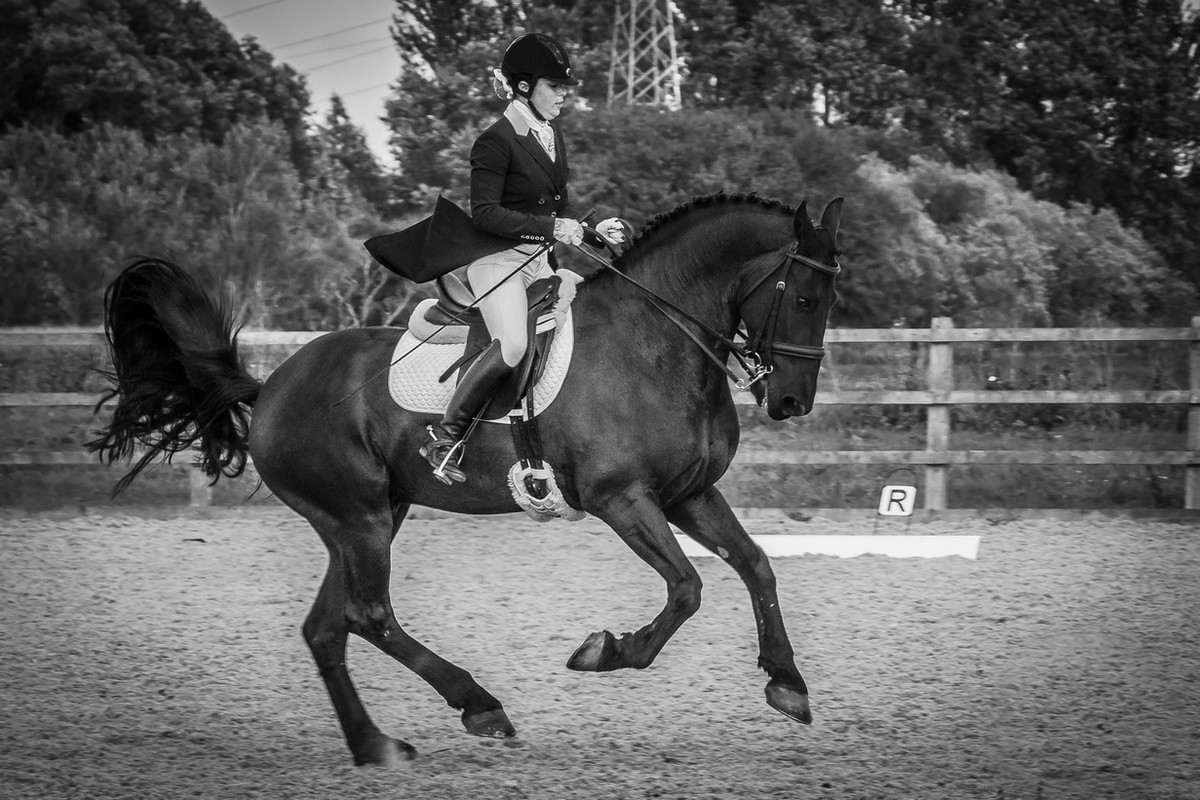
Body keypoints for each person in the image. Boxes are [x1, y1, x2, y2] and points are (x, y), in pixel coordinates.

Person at [420, 32, 627, 485]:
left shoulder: (551, 135)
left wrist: (594, 229)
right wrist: (554, 229)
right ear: (523, 87)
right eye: (555, 86)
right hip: (497, 260)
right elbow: (486, 213)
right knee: (513, 345)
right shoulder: (495, 141)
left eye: (564, 87)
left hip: (539, 263)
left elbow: (560, 204)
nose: (563, 95)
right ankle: (445, 436)